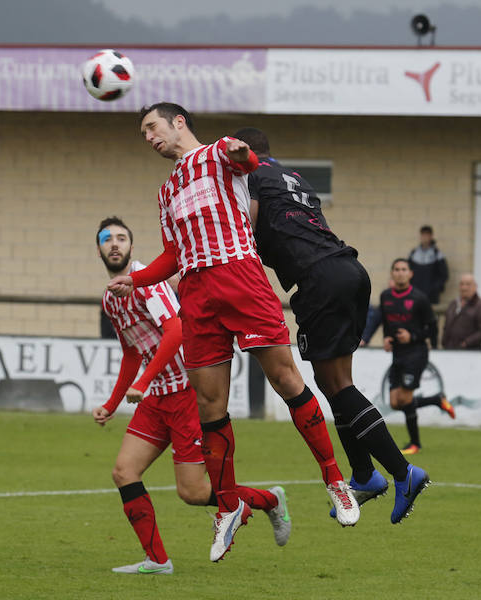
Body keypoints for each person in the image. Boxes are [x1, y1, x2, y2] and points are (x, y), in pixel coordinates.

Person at [108, 103, 358, 563]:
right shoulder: (166, 191)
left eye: (151, 127)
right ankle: (226, 504)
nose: (147, 137)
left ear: (177, 121)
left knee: (286, 380)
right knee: (210, 405)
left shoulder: (220, 152)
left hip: (239, 274)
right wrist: (137, 279)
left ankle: (335, 480)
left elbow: (248, 163)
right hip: (197, 292)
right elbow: (172, 255)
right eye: (142, 132)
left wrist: (242, 153)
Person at [232, 127, 430, 524]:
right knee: (335, 386)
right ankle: (363, 475)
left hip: (320, 279)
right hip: (349, 271)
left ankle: (403, 473)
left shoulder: (251, 176)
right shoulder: (294, 177)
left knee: (337, 389)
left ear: (246, 154)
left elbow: (245, 229)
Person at [92, 217, 291, 575]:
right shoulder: (111, 299)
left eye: (122, 237)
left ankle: (269, 500)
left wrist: (143, 381)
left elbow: (176, 331)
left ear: (132, 247)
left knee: (194, 493)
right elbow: (131, 353)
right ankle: (157, 561)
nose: (115, 244)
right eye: (108, 239)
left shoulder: (145, 283)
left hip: (185, 392)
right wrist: (111, 403)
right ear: (99, 249)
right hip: (158, 399)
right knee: (124, 472)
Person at [378, 259, 456, 455]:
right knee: (395, 402)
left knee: (405, 398)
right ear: (392, 273)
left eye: (404, 269)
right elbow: (386, 322)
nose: (400, 273)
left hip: (416, 353)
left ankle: (415, 444)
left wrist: (412, 336)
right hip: (398, 353)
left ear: (410, 274)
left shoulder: (419, 298)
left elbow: (432, 327)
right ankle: (437, 400)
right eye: (396, 269)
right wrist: (387, 338)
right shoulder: (385, 296)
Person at [442, 273, 481, 350]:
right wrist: (444, 341)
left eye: (468, 284)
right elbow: (446, 326)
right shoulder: (453, 304)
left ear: (475, 287)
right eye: (461, 284)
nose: (464, 287)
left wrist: (466, 343)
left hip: (470, 352)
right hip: (449, 350)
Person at [408, 225, 448, 305]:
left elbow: (444, 275)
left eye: (427, 235)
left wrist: (435, 288)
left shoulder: (437, 254)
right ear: (420, 236)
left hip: (431, 296)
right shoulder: (413, 254)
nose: (425, 237)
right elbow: (408, 272)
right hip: (414, 294)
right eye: (423, 235)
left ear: (431, 236)